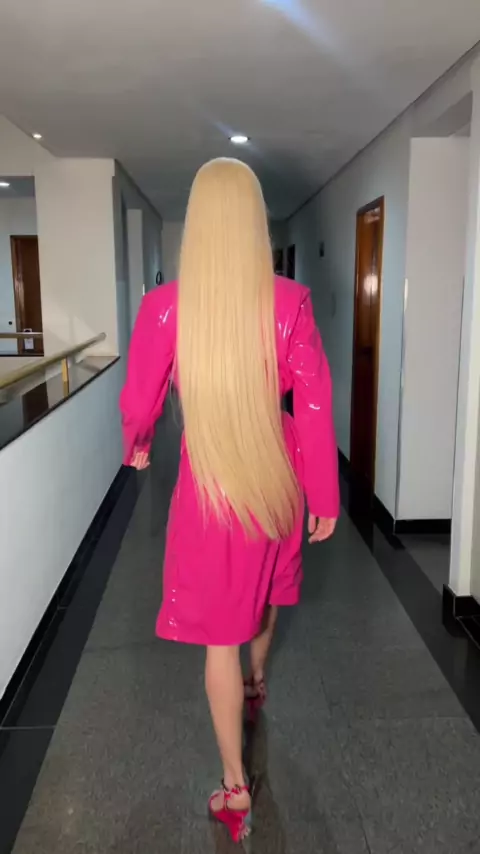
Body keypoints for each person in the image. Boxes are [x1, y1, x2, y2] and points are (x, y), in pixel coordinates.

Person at [120, 158, 339, 843]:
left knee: (220, 637)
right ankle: (257, 679)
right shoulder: (289, 302)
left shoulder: (166, 307)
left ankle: (235, 787)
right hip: (277, 479)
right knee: (267, 591)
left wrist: (138, 442)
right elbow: (314, 402)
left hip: (211, 488)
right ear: (251, 221)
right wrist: (325, 493)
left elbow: (140, 398)